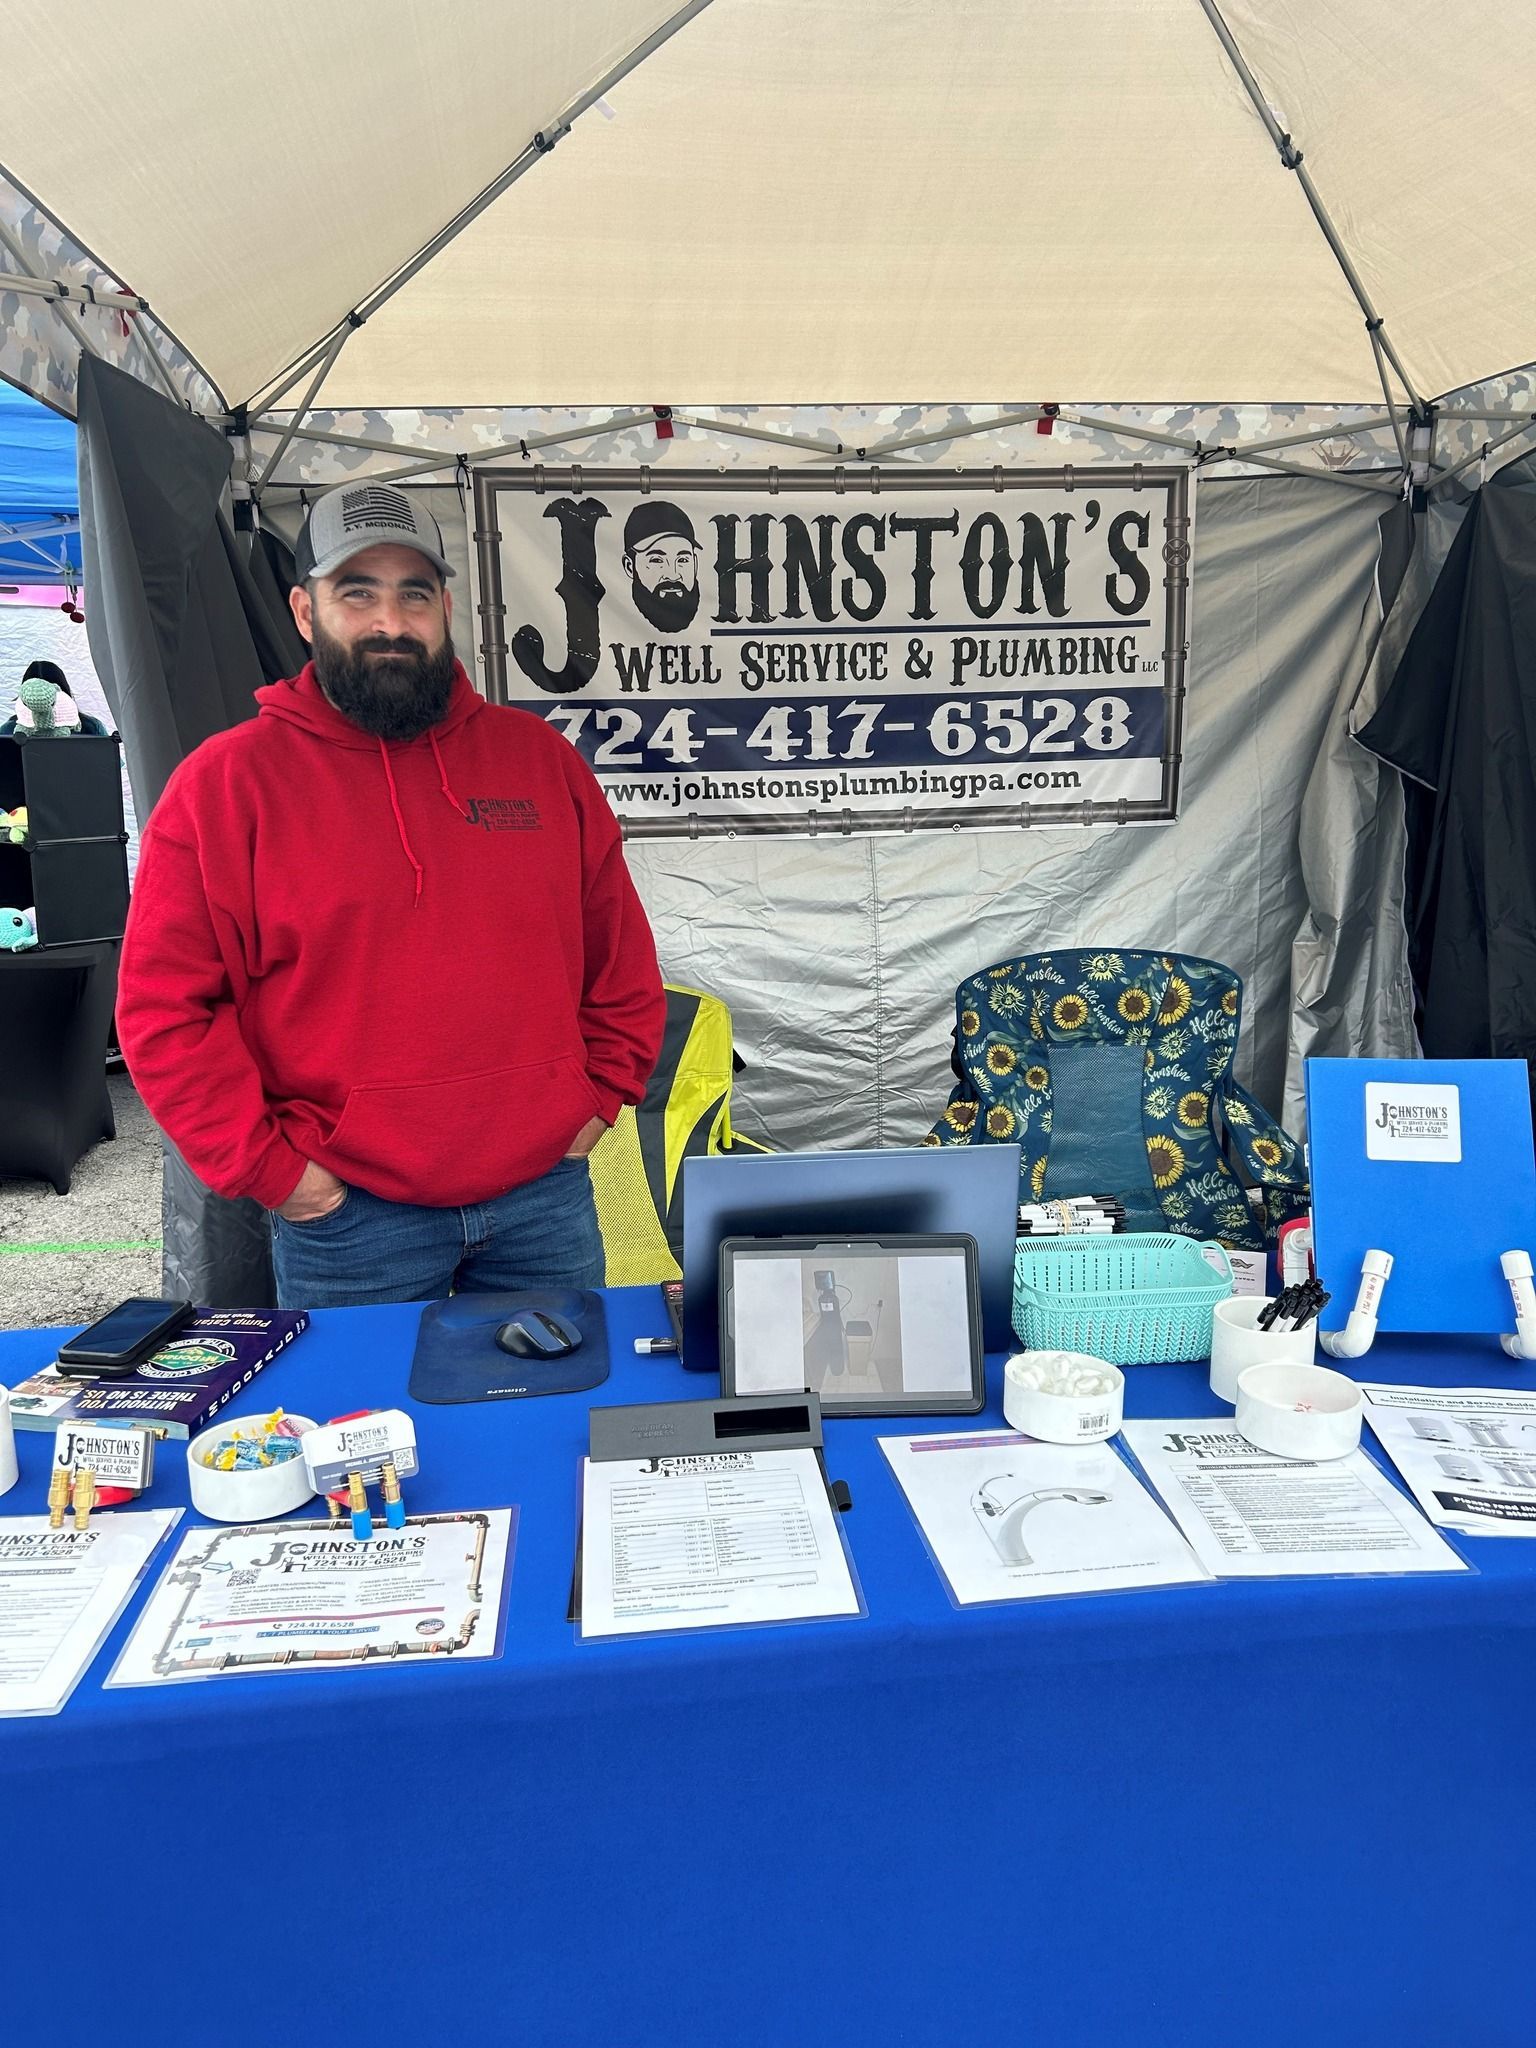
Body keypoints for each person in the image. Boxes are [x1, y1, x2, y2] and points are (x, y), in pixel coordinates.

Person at [117, 481, 665, 1308]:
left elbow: (620, 958)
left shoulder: (539, 764)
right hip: (351, 1225)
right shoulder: (225, 788)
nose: (390, 623)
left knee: (550, 1426)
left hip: (541, 1203)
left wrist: (596, 1101)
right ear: (305, 612)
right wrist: (277, 1173)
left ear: (446, 606)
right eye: (356, 592)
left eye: (414, 593)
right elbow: (165, 1010)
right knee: (364, 1437)